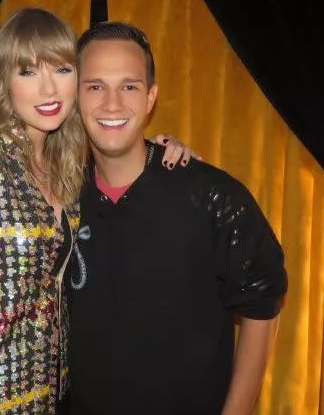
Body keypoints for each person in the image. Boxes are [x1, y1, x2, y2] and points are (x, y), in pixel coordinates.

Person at [0, 9, 195, 414]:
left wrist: (164, 153)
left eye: (61, 69)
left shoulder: (66, 167)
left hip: (54, 396)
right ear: (4, 83)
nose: (48, 88)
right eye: (27, 71)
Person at [66, 22, 288, 414]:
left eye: (129, 86)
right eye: (95, 86)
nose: (112, 104)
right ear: (74, 97)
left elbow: (262, 306)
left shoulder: (211, 196)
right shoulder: (60, 200)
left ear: (150, 97)